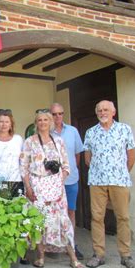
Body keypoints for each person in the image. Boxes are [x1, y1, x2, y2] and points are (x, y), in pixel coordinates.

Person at [20, 109, 84, 268]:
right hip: (37, 185)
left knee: (63, 221)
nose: (42, 123)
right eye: (39, 120)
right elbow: (24, 167)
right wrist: (28, 187)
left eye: (45, 120)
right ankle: (41, 257)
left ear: (51, 122)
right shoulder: (30, 142)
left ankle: (73, 257)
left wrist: (58, 182)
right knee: (40, 221)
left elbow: (66, 165)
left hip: (56, 187)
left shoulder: (59, 141)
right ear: (36, 123)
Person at [84, 100, 135, 268]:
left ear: (113, 112)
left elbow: (131, 157)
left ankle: (125, 255)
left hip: (119, 181)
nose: (103, 112)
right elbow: (88, 159)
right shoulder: (91, 132)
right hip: (97, 182)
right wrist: (100, 171)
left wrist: (121, 173)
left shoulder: (124, 129)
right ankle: (98, 254)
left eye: (106, 109)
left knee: (123, 217)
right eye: (99, 110)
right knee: (97, 218)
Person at [50, 103, 84, 260]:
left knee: (70, 211)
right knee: (52, 213)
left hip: (70, 180)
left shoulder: (73, 131)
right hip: (50, 182)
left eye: (60, 113)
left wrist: (67, 172)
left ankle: (71, 244)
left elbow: (77, 156)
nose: (58, 117)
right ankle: (54, 244)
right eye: (54, 114)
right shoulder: (45, 132)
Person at [0, 109, 24, 196]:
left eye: (7, 122)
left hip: (16, 181)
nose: (4, 124)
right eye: (1, 121)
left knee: (17, 208)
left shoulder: (18, 139)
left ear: (11, 124)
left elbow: (23, 160)